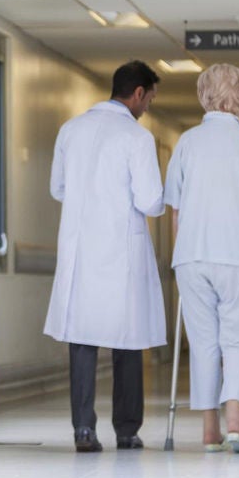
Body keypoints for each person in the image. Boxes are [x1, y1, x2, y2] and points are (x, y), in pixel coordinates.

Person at [164, 63, 239, 454]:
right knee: (237, 339)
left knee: (203, 342)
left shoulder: (186, 143)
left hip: (192, 257)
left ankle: (209, 430)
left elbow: (176, 211)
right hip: (237, 255)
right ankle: (235, 422)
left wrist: (183, 253)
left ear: (204, 96)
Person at [44, 60, 165, 452]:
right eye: (149, 100)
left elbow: (58, 189)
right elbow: (150, 201)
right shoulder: (137, 138)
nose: (147, 107)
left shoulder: (70, 129)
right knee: (127, 339)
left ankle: (83, 429)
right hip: (121, 249)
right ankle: (126, 430)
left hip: (81, 247)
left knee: (81, 338)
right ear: (138, 93)